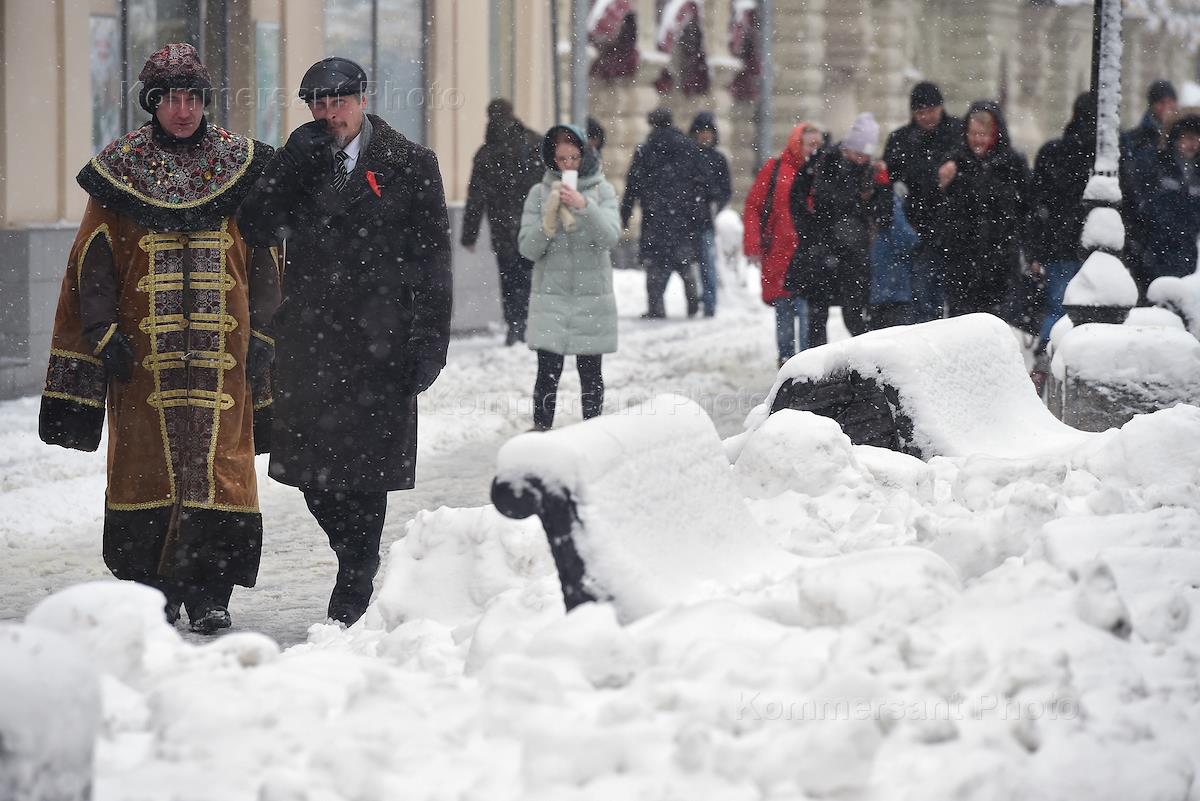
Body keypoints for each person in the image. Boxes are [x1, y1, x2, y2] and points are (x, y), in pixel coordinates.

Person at [38, 43, 278, 634]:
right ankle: (155, 595)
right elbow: (92, 262)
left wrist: (267, 332)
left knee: (221, 470)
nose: (184, 109)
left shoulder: (240, 166)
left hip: (225, 360)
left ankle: (211, 595)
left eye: (193, 97)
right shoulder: (120, 171)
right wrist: (101, 331)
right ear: (153, 102)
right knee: (148, 469)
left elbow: (269, 256)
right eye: (172, 97)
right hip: (143, 360)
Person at [238, 57, 452, 626]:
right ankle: (349, 551)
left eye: (340, 101)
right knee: (312, 473)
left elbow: (433, 262)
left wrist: (430, 342)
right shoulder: (300, 163)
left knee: (367, 469)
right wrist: (286, 168)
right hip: (310, 342)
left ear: (363, 99)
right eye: (319, 104)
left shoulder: (410, 164)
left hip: (381, 341)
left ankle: (356, 574)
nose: (331, 115)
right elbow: (253, 228)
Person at [518, 124, 620, 431]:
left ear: (584, 156)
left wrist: (584, 206)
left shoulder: (603, 191)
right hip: (551, 297)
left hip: (592, 299)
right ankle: (541, 432)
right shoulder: (539, 193)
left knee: (590, 374)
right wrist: (549, 219)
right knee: (547, 372)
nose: (567, 165)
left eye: (573, 158)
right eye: (561, 159)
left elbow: (610, 237)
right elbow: (527, 249)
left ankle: (593, 434)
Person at [933, 100, 1030, 318]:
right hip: (962, 260)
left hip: (1000, 260)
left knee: (996, 320)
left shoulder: (1012, 163)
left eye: (983, 134)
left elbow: (1025, 208)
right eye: (973, 134)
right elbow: (939, 206)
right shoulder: (955, 162)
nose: (977, 140)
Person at [461, 98, 543, 345]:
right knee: (528, 274)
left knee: (508, 276)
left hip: (502, 225)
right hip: (531, 222)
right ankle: (526, 322)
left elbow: (476, 196)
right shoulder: (534, 143)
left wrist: (469, 234)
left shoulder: (486, 152)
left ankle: (514, 325)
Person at [882, 81, 963, 322]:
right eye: (920, 112)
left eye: (931, 110)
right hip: (919, 232)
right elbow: (890, 184)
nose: (926, 117)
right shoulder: (900, 140)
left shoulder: (959, 134)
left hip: (955, 229)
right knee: (923, 297)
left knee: (956, 302)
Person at [744, 122, 824, 366]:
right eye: (810, 144)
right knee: (785, 309)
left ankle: (806, 362)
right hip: (779, 251)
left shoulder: (823, 170)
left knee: (805, 309)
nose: (814, 150)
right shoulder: (776, 169)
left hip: (809, 252)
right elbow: (754, 206)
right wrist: (752, 244)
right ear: (797, 143)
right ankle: (788, 362)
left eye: (818, 145)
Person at [620, 107, 710, 318]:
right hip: (683, 215)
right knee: (685, 263)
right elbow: (702, 182)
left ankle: (655, 307)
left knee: (655, 266)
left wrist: (625, 213)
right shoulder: (689, 147)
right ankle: (692, 303)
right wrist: (697, 210)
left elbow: (632, 184)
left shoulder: (646, 150)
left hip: (654, 215)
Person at [809, 112, 892, 338]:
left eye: (865, 155)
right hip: (827, 249)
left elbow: (883, 213)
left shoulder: (870, 171)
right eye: (857, 153)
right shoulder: (828, 162)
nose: (861, 159)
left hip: (856, 254)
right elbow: (824, 202)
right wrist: (857, 196)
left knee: (854, 315)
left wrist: (883, 187)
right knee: (818, 312)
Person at [1029, 92, 1097, 346]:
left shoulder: (1054, 152)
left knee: (1059, 308)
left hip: (1060, 246)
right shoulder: (1104, 157)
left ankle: (1046, 361)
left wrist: (1037, 249)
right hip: (1086, 245)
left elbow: (1036, 206)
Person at [1121, 80, 1180, 296]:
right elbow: (1132, 182)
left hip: (1171, 231)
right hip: (1143, 230)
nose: (1168, 108)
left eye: (1171, 102)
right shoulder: (1136, 140)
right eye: (1162, 102)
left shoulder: (1180, 138)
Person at [1133, 109, 1200, 285]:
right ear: (1177, 139)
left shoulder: (1195, 172)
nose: (1192, 144)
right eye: (1187, 137)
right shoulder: (1160, 165)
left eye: (1196, 138)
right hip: (1159, 247)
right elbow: (1146, 203)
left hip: (1187, 247)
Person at [689, 112, 733, 317]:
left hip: (705, 219)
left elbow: (725, 190)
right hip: (688, 218)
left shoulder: (718, 159)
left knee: (707, 264)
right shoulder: (688, 157)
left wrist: (713, 199)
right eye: (701, 132)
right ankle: (694, 301)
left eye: (708, 132)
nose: (705, 136)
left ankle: (709, 302)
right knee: (689, 265)